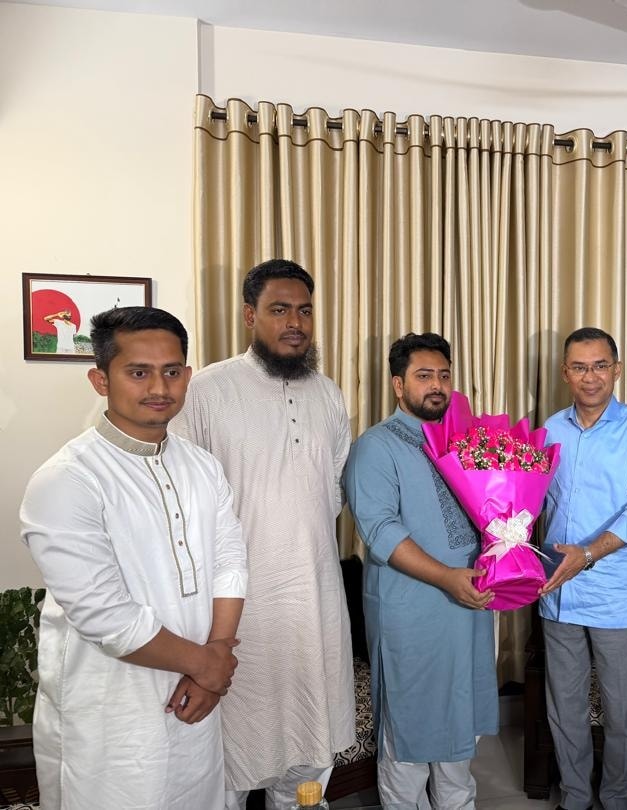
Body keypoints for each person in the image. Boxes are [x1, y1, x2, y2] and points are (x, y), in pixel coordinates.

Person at [20, 306, 247, 809]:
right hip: (110, 711)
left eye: (172, 371)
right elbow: (105, 616)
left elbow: (230, 560)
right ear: (100, 380)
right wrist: (209, 666)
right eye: (138, 372)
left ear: (188, 375)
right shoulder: (66, 479)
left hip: (194, 697)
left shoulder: (202, 466)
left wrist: (217, 652)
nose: (159, 387)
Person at [173, 259, 354, 809]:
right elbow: (182, 498)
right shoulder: (206, 390)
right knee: (228, 757)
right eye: (279, 310)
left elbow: (333, 491)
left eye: (304, 311)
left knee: (307, 752)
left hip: (315, 598)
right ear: (250, 315)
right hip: (236, 606)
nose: (295, 323)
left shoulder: (329, 394)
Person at [343, 331, 497, 810]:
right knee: (409, 734)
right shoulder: (376, 447)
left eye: (444, 376)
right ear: (398, 384)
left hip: (467, 609)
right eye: (424, 375)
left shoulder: (464, 443)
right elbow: (381, 531)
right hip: (412, 612)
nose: (437, 385)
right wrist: (448, 577)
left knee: (459, 727)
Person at [538, 327, 627, 810]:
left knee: (621, 712)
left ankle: (616, 799)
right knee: (565, 706)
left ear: (617, 370)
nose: (590, 376)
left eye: (599, 366)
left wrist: (588, 554)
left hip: (617, 594)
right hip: (558, 590)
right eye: (579, 367)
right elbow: (533, 502)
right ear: (564, 373)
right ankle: (575, 797)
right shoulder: (549, 431)